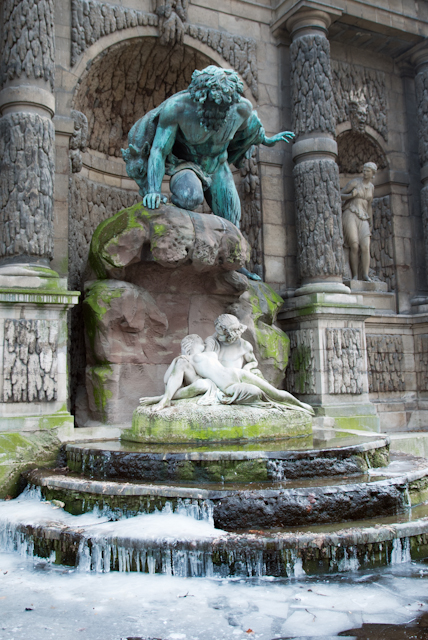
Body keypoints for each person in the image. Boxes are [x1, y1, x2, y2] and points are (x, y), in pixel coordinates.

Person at [122, 66, 294, 230]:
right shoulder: (177, 109)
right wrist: (154, 191)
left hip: (217, 165)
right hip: (186, 164)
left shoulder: (240, 109)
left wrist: (266, 140)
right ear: (201, 97)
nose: (219, 111)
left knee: (232, 221)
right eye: (214, 104)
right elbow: (159, 150)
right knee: (190, 197)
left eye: (224, 107)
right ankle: (180, 230)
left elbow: (251, 130)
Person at [140, 334, 314, 415]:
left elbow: (168, 379)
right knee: (268, 394)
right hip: (231, 382)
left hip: (234, 377)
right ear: (193, 344)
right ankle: (300, 406)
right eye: (201, 342)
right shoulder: (185, 359)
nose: (204, 343)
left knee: (272, 393)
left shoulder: (199, 354)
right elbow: (170, 379)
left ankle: (300, 405)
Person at [341, 162, 377, 282]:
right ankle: (355, 275)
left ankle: (365, 275)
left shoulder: (371, 187)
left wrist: (370, 220)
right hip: (350, 213)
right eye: (364, 170)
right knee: (354, 245)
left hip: (364, 216)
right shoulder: (355, 183)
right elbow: (339, 195)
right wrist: (351, 195)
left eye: (368, 171)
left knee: (365, 246)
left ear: (372, 173)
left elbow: (369, 205)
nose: (365, 172)